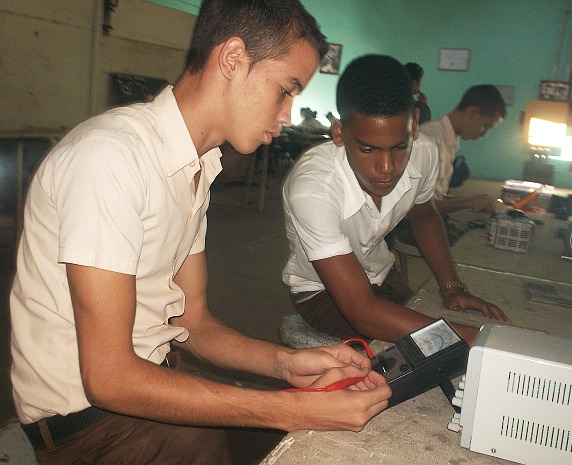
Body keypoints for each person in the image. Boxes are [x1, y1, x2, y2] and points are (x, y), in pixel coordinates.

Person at [9, 2, 391, 464]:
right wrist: (291, 409)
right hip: (95, 429)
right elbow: (108, 378)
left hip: (155, 381)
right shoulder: (110, 158)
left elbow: (193, 324)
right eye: (284, 91)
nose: (288, 115)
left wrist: (286, 366)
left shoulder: (196, 168)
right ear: (232, 59)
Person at [281, 54, 509, 346]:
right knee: (408, 355)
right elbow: (362, 312)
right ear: (339, 133)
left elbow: (424, 215)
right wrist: (468, 339)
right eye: (368, 150)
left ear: (414, 124)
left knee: (427, 329)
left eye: (400, 147)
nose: (387, 167)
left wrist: (451, 286)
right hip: (321, 292)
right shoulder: (313, 188)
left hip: (381, 275)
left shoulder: (425, 153)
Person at [420, 85, 507, 215]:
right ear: (474, 113)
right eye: (486, 126)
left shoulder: (448, 140)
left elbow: (436, 197)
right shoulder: (431, 139)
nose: (484, 134)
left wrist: (472, 200)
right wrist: (467, 203)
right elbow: (419, 207)